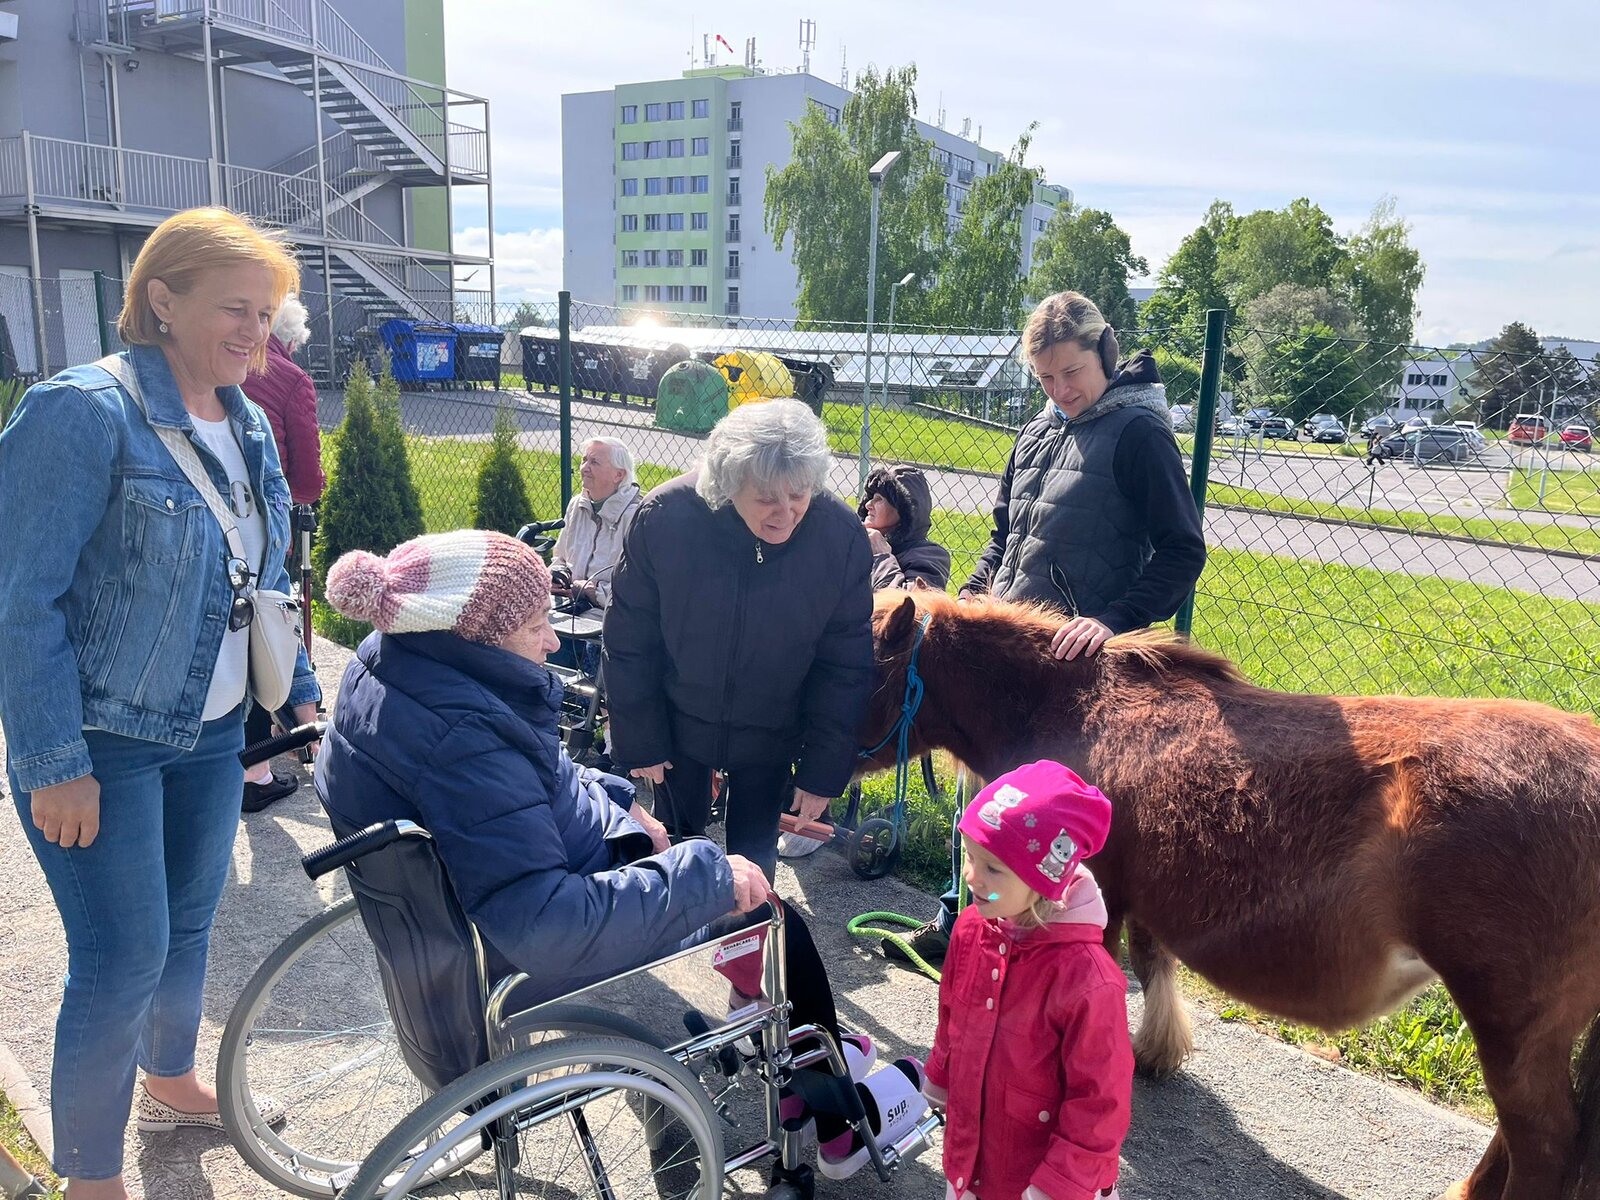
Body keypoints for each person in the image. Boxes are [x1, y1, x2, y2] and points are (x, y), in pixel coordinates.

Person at [316, 529, 885, 1175]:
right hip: (529, 941)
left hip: (478, 907)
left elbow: (527, 779)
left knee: (721, 880)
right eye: (536, 624)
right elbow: (546, 923)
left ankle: (774, 1025)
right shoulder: (466, 738)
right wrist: (704, 877)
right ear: (479, 634)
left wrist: (619, 799)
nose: (553, 641)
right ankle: (836, 1125)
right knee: (767, 909)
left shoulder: (395, 664)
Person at [0, 207, 321, 1199]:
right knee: (120, 958)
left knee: (188, 927)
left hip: (212, 732)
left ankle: (170, 1081)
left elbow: (265, 575)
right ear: (162, 300)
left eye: (265, 313)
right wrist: (54, 762)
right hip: (104, 740)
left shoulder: (247, 417)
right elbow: (21, 601)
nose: (254, 333)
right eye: (235, 308)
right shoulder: (80, 412)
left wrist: (297, 698)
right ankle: (91, 1176)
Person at [886, 290, 1206, 969]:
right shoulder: (1037, 431)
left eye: (1072, 372)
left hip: (1073, 673)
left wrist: (1110, 620)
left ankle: (1056, 955)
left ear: (1106, 354)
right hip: (1004, 661)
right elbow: (1003, 535)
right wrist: (975, 593)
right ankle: (964, 920)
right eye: (1045, 378)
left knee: (1047, 823)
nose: (1061, 390)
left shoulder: (1140, 434)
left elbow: (1183, 551)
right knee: (988, 803)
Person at [603, 399, 874, 881]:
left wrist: (821, 771)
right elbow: (630, 637)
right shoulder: (665, 519)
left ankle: (748, 929)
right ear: (728, 484)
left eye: (799, 494)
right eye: (767, 497)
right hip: (680, 724)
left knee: (755, 866)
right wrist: (641, 740)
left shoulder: (839, 537)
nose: (786, 513)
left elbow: (844, 664)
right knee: (677, 856)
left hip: (773, 732)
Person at [924, 761, 1131, 1200]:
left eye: (993, 868)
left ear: (1043, 881)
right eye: (969, 857)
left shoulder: (1089, 981)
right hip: (971, 1160)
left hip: (1044, 1184)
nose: (971, 877)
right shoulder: (971, 929)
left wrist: (1061, 1183)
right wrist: (941, 1073)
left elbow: (1100, 1100)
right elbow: (952, 1015)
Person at [239, 291, 325, 812]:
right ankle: (265, 765)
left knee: (234, 633)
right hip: (265, 524)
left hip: (211, 518)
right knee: (272, 628)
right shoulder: (291, 378)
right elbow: (309, 479)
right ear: (289, 341)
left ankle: (257, 752)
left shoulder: (213, 365)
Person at [549, 436, 642, 611]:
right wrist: (557, 576)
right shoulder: (577, 504)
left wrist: (592, 591)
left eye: (594, 462)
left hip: (609, 614)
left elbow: (637, 589)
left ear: (619, 475)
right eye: (584, 460)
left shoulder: (636, 517)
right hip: (569, 605)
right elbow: (560, 557)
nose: (584, 468)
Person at [859, 463, 952, 592]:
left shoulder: (930, 556)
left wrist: (882, 558)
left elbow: (911, 601)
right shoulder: (857, 542)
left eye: (879, 499)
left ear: (903, 511)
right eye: (870, 498)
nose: (868, 505)